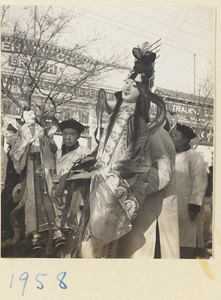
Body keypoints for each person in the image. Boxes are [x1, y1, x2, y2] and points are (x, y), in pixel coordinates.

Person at [74, 42, 179, 259]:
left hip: (125, 206)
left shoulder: (149, 130)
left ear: (143, 93)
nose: (127, 87)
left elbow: (162, 173)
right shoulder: (118, 123)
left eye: (134, 84)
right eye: (126, 81)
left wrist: (131, 188)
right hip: (101, 198)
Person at [1, 107, 60, 257]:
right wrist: (26, 144)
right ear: (22, 117)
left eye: (33, 113)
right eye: (27, 113)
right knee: (32, 200)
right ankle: (34, 234)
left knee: (48, 196)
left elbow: (52, 148)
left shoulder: (43, 129)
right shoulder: (21, 131)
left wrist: (47, 138)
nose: (31, 115)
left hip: (44, 166)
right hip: (30, 166)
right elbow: (16, 151)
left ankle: (55, 232)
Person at [50, 118, 91, 257]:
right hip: (59, 196)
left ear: (78, 136)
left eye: (72, 134)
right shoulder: (58, 153)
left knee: (74, 229)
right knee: (59, 231)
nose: (67, 137)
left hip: (77, 195)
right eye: (65, 133)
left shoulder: (85, 152)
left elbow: (91, 173)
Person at [170, 123, 208, 258]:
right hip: (174, 208)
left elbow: (200, 182)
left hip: (188, 210)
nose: (172, 137)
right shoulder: (171, 156)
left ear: (185, 139)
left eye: (175, 135)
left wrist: (194, 206)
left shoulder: (194, 156)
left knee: (187, 241)